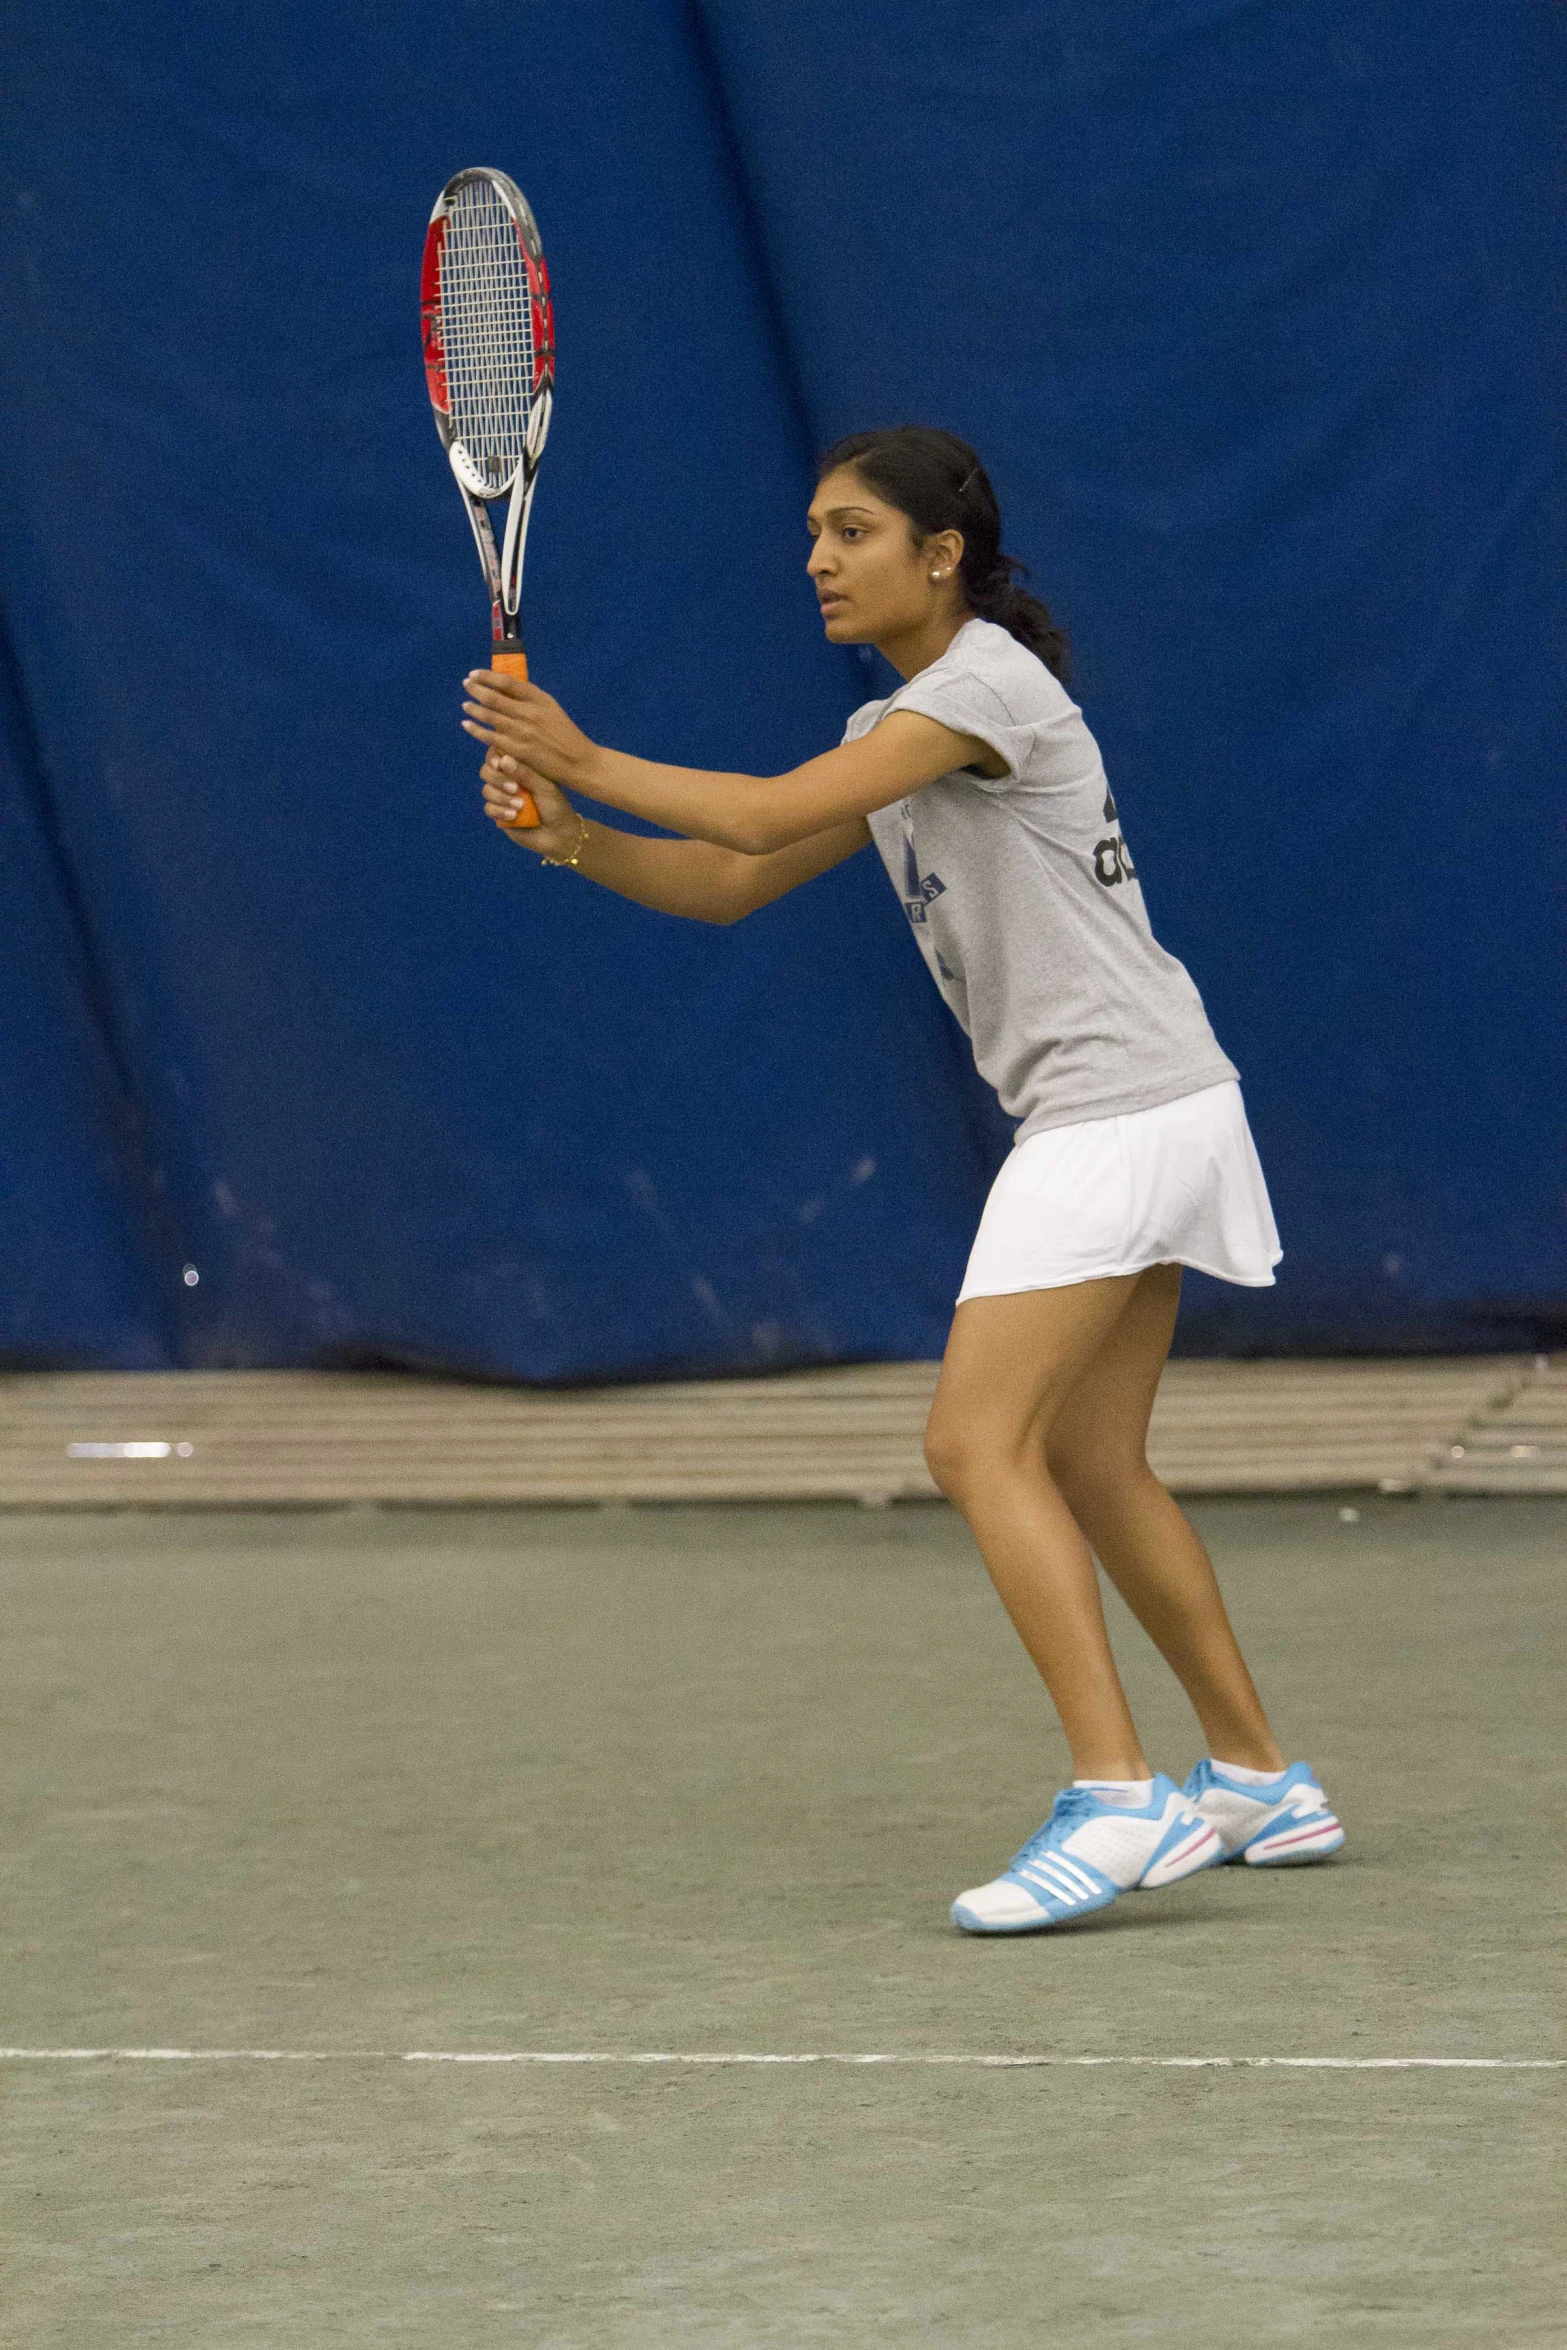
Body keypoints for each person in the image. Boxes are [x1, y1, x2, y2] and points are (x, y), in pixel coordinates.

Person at [460, 424, 1344, 1934]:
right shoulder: (909, 725)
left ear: (942, 556)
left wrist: (576, 749)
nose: (816, 557)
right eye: (809, 530)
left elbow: (748, 808)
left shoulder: (982, 684)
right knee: (1089, 1459)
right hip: (1159, 1097)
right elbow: (735, 878)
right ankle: (1258, 1775)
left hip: (1113, 1111)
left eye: (851, 531)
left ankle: (1120, 1793)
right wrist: (576, 840)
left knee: (971, 1440)